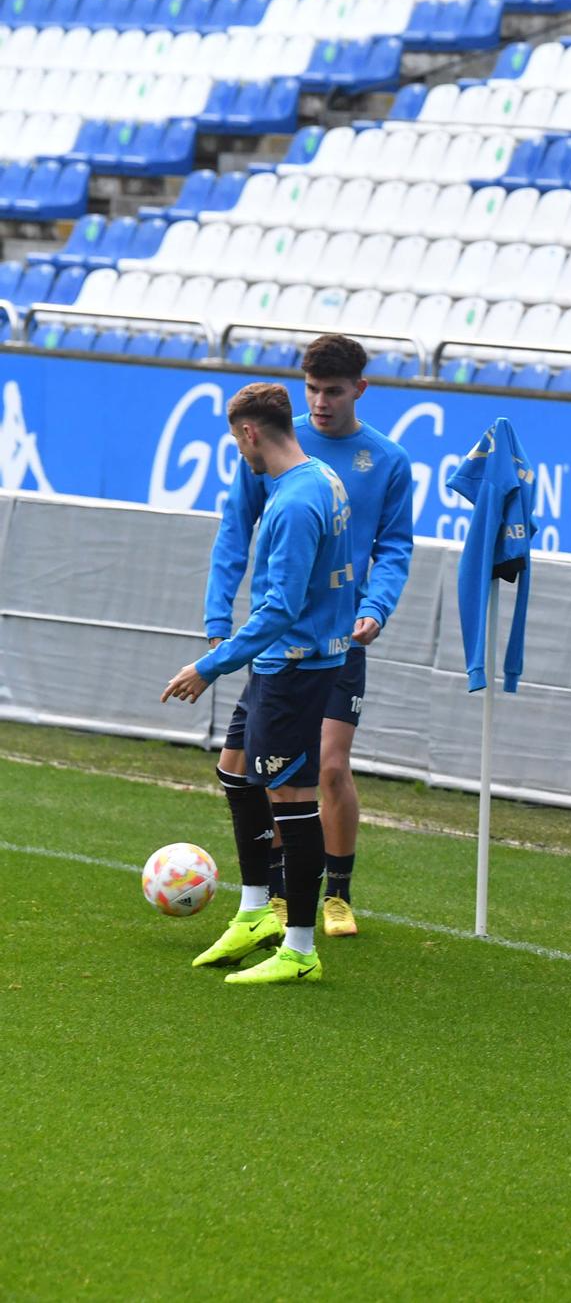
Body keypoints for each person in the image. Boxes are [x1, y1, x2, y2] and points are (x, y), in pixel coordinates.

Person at [205, 334, 413, 938]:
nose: (320, 402)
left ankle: (334, 898)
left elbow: (394, 548)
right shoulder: (273, 440)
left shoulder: (387, 462)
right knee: (257, 769)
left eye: (333, 391)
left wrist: (375, 607)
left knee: (327, 767)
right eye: (313, 390)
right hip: (276, 642)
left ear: (359, 390)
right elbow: (233, 532)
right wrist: (220, 623)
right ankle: (274, 900)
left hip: (340, 639)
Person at [163, 383, 356, 985]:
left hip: (294, 667)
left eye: (235, 441)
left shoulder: (297, 504)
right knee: (234, 769)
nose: (239, 453)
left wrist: (209, 665)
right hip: (280, 662)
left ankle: (299, 949)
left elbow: (280, 607)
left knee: (293, 806)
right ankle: (254, 913)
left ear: (249, 432)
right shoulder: (318, 476)